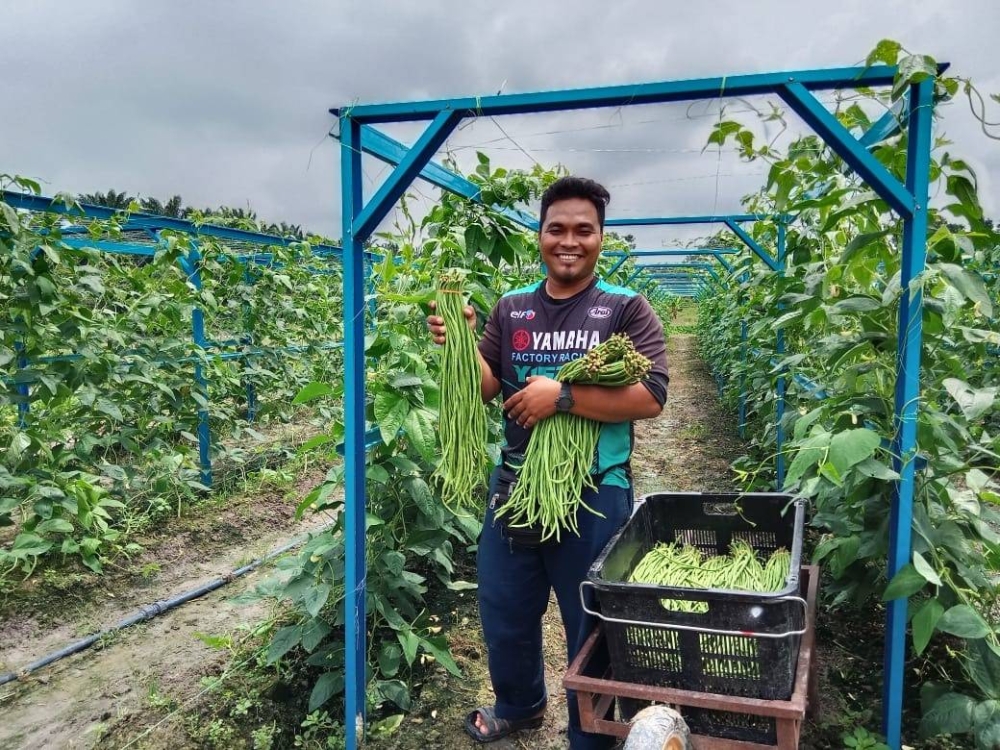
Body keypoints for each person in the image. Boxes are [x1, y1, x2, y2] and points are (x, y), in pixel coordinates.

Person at [427, 176, 669, 749]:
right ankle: (520, 704)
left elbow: (651, 396)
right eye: (556, 228)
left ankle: (592, 732)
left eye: (584, 230)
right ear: (539, 234)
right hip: (515, 484)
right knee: (504, 608)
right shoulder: (512, 309)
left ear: (601, 237)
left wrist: (561, 396)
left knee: (590, 620)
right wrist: (460, 341)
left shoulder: (625, 309)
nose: (569, 241)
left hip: (593, 490)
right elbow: (486, 387)